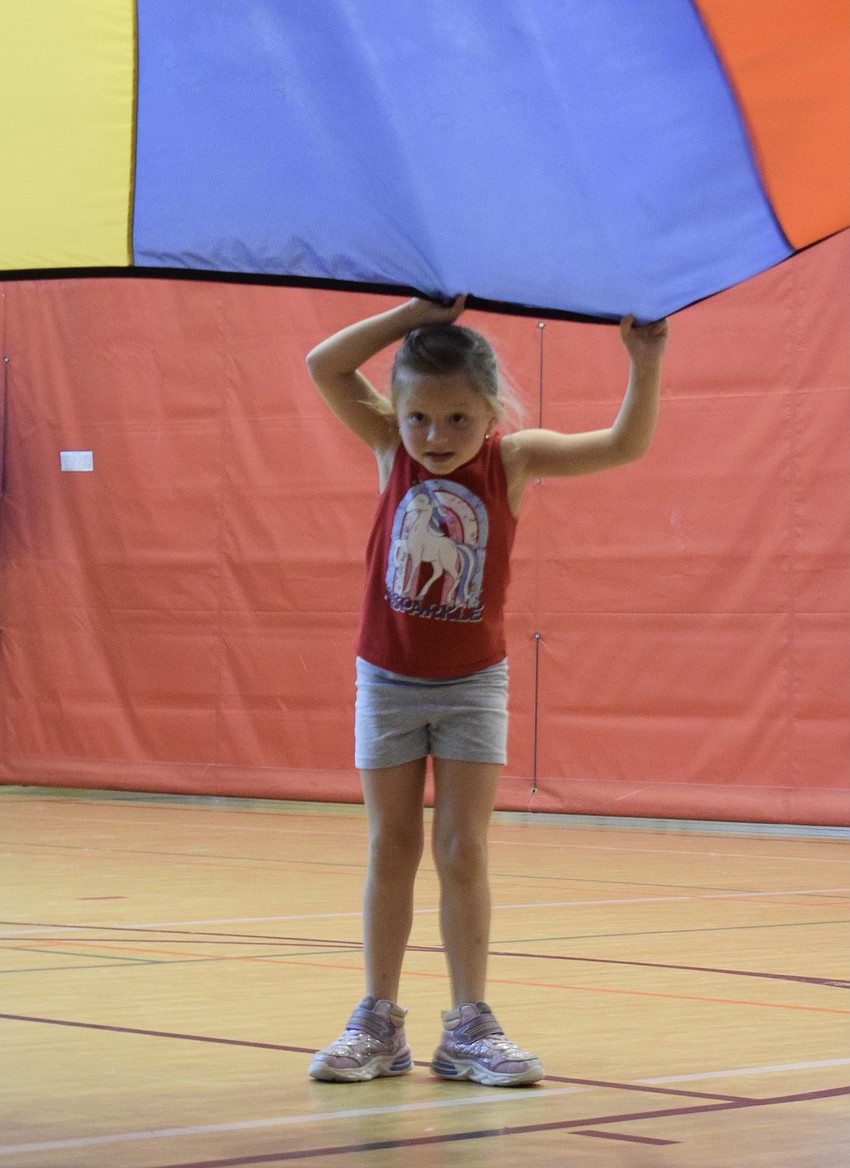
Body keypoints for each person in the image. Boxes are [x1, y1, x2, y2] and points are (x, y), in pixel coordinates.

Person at [305, 295, 668, 1086]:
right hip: (389, 679)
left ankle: (469, 1025)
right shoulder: (386, 444)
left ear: (491, 410)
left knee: (463, 849)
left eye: (458, 420)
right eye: (420, 419)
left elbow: (621, 446)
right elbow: (323, 364)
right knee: (390, 847)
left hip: (472, 685)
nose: (436, 438)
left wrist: (645, 364)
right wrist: (412, 316)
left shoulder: (512, 459)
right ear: (397, 414)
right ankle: (379, 1021)